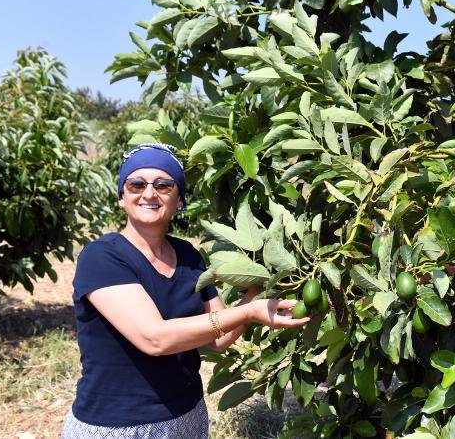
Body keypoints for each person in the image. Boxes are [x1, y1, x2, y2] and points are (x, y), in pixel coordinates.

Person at [61, 143, 309, 438]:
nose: (149, 193)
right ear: (122, 197)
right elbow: (154, 338)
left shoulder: (189, 255)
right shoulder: (102, 257)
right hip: (117, 425)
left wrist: (256, 291)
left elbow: (218, 340)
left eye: (163, 185)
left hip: (186, 416)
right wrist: (248, 311)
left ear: (179, 199)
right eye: (136, 184)